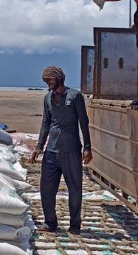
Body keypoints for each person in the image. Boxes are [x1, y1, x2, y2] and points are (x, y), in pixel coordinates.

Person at [29, 66, 92, 235]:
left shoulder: (75, 96)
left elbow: (84, 122)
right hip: (51, 151)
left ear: (59, 79)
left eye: (49, 80)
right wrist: (38, 147)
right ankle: (50, 222)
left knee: (75, 188)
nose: (47, 83)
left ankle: (75, 225)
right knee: (47, 188)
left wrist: (87, 147)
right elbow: (45, 123)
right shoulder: (47, 98)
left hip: (71, 150)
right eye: (45, 81)